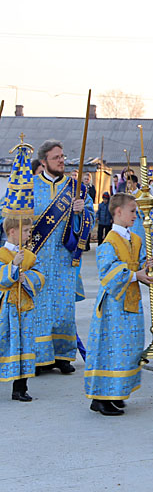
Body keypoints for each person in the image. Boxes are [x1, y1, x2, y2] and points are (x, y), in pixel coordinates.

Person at [84, 193, 153, 415]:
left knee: (129, 349)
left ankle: (117, 391)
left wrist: (148, 268)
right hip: (114, 306)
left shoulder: (135, 239)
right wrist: (137, 274)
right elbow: (107, 272)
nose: (136, 215)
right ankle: (101, 398)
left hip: (132, 302)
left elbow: (139, 266)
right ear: (118, 212)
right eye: (132, 211)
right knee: (111, 349)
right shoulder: (109, 242)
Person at [26, 140, 94, 373]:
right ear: (44, 162)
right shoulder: (29, 186)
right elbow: (15, 219)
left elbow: (90, 221)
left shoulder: (77, 189)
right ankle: (40, 358)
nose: (62, 161)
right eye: (56, 158)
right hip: (38, 259)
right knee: (40, 309)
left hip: (65, 259)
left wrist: (80, 212)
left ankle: (63, 356)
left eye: (63, 156)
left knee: (64, 309)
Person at [0, 142, 46, 401]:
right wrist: (13, 268)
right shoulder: (3, 254)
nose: (29, 235)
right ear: (12, 231)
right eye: (26, 231)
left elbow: (40, 275)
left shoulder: (29, 255)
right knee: (8, 345)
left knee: (25, 345)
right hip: (6, 309)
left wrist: (28, 276)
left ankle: (21, 387)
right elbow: (1, 278)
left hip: (25, 307)